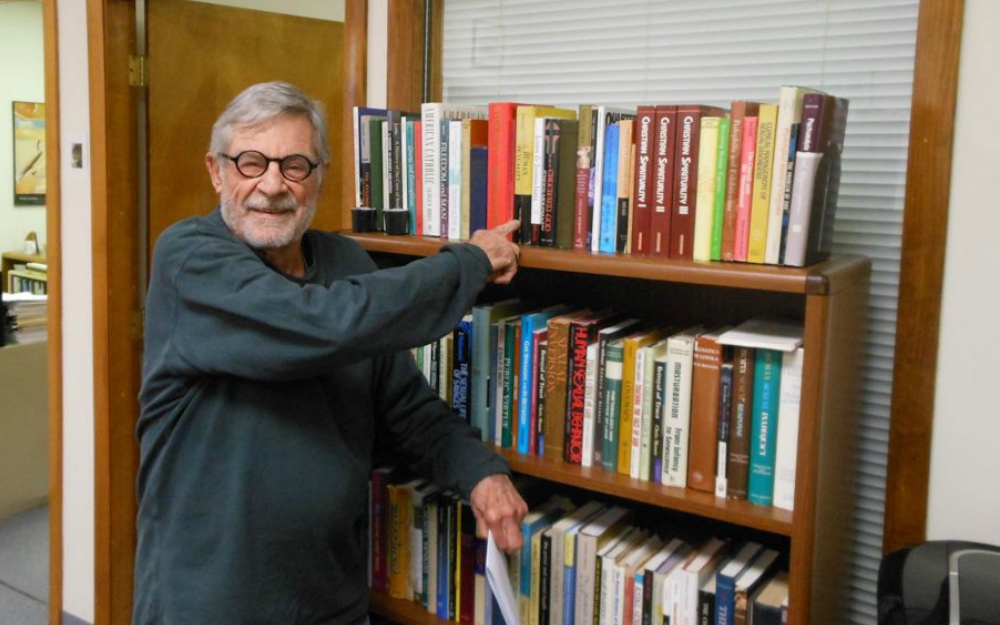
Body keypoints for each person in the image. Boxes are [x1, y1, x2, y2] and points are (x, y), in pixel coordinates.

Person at [135, 81, 529, 625]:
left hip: (330, 600)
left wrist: (480, 472)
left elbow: (405, 407)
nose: (272, 185)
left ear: (319, 176)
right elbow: (317, 325)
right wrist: (470, 263)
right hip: (209, 603)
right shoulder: (189, 258)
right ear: (216, 171)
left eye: (295, 165)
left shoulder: (347, 262)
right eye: (250, 162)